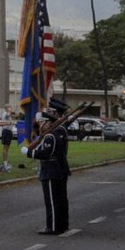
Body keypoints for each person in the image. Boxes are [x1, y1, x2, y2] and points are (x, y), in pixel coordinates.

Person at [25, 97, 70, 234]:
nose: (41, 124)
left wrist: (30, 153)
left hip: (52, 169)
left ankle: (55, 227)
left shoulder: (55, 132)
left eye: (43, 121)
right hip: (58, 168)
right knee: (59, 199)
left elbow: (48, 152)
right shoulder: (58, 130)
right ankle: (61, 225)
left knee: (53, 200)